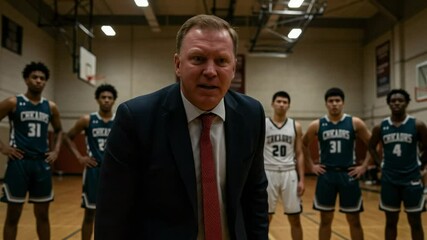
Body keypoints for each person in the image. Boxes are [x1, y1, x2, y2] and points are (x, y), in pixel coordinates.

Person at [94, 14, 269, 240]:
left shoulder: (251, 114)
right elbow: (113, 211)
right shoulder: (136, 118)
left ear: (234, 68)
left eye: (222, 61)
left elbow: (255, 193)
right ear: (178, 64)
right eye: (198, 58)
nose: (210, 71)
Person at [0, 61, 63, 240]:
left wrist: (56, 151)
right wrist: (3, 148)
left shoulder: (51, 107)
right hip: (18, 163)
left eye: (42, 78)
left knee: (43, 215)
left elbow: (59, 131)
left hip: (41, 164)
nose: (38, 81)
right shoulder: (14, 102)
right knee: (13, 215)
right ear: (26, 80)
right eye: (34, 77)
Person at [302, 87, 371, 240]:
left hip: (348, 174)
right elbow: (303, 144)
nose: (334, 104)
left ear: (343, 103)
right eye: (331, 101)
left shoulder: (354, 122)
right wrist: (311, 166)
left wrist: (364, 166)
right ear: (326, 104)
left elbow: (372, 144)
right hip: (327, 175)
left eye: (337, 101)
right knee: (325, 219)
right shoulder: (317, 124)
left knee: (354, 219)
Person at [368, 89, 427, 240]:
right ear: (388, 103)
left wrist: (421, 166)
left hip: (411, 180)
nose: (396, 103)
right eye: (393, 101)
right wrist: (380, 164)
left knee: (415, 221)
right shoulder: (380, 127)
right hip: (390, 179)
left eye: (400, 100)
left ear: (407, 103)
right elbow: (371, 146)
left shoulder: (418, 125)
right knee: (390, 221)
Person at [64, 84, 117, 240]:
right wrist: (80, 157)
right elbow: (68, 137)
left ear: (114, 101)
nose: (106, 100)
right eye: (103, 97)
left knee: (113, 214)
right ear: (97, 99)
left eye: (110, 98)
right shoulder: (87, 119)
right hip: (94, 171)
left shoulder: (119, 120)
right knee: (89, 214)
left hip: (114, 173)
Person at [264, 91, 304, 240]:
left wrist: (302, 180)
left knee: (295, 218)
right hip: (268, 172)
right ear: (273, 104)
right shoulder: (264, 124)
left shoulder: (296, 126)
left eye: (284, 102)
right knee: (265, 218)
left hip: (289, 173)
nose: (281, 104)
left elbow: (299, 153)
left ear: (288, 105)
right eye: (279, 101)